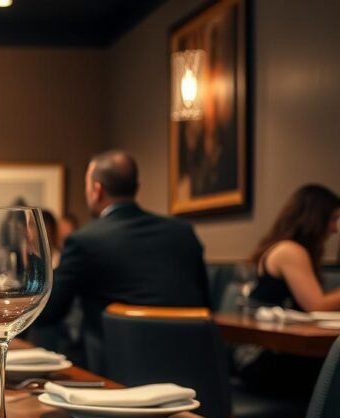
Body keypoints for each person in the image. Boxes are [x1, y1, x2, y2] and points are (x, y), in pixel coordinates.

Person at [33, 150, 209, 373]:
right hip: (194, 375)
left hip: (117, 379)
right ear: (137, 187)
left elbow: (50, 311)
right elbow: (205, 305)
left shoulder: (84, 240)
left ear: (97, 191)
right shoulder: (183, 232)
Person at [237, 184, 340, 396]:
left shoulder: (284, 248)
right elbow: (316, 306)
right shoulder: (290, 251)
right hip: (262, 359)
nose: (335, 228)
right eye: (332, 219)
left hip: (256, 357)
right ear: (314, 217)